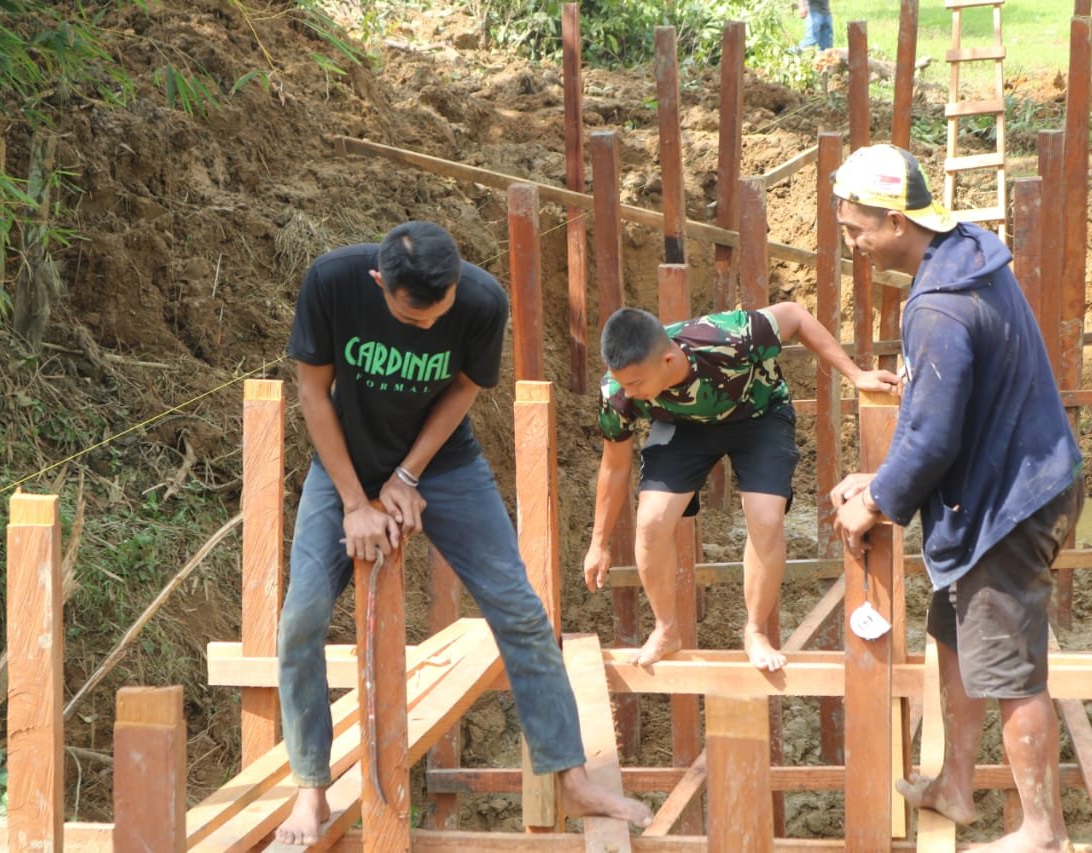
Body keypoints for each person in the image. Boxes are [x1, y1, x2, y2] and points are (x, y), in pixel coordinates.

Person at [275, 221, 653, 844]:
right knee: (301, 617)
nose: (428, 327)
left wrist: (407, 475)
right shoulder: (333, 282)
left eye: (438, 313)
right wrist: (355, 503)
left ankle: (572, 776)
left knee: (520, 609)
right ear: (379, 280)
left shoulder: (481, 300)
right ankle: (310, 788)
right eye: (411, 317)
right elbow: (314, 394)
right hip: (344, 463)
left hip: (445, 465)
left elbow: (463, 390)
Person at [827, 144, 1084, 852]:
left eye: (857, 229)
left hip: (1009, 505)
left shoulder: (938, 307)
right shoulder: (965, 253)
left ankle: (1043, 830)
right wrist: (881, 480)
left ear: (897, 221)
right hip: (1013, 482)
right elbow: (937, 408)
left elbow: (935, 437)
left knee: (1011, 668)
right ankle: (956, 785)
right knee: (954, 634)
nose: (852, 244)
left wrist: (875, 502)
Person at [583, 303, 899, 672]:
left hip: (759, 415)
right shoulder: (617, 392)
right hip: (682, 428)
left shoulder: (728, 336)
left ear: (668, 360)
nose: (628, 392)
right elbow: (614, 466)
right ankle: (666, 630)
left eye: (636, 383)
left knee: (766, 518)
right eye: (622, 382)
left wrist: (856, 375)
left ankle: (755, 631)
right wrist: (598, 543)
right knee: (651, 521)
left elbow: (795, 316)